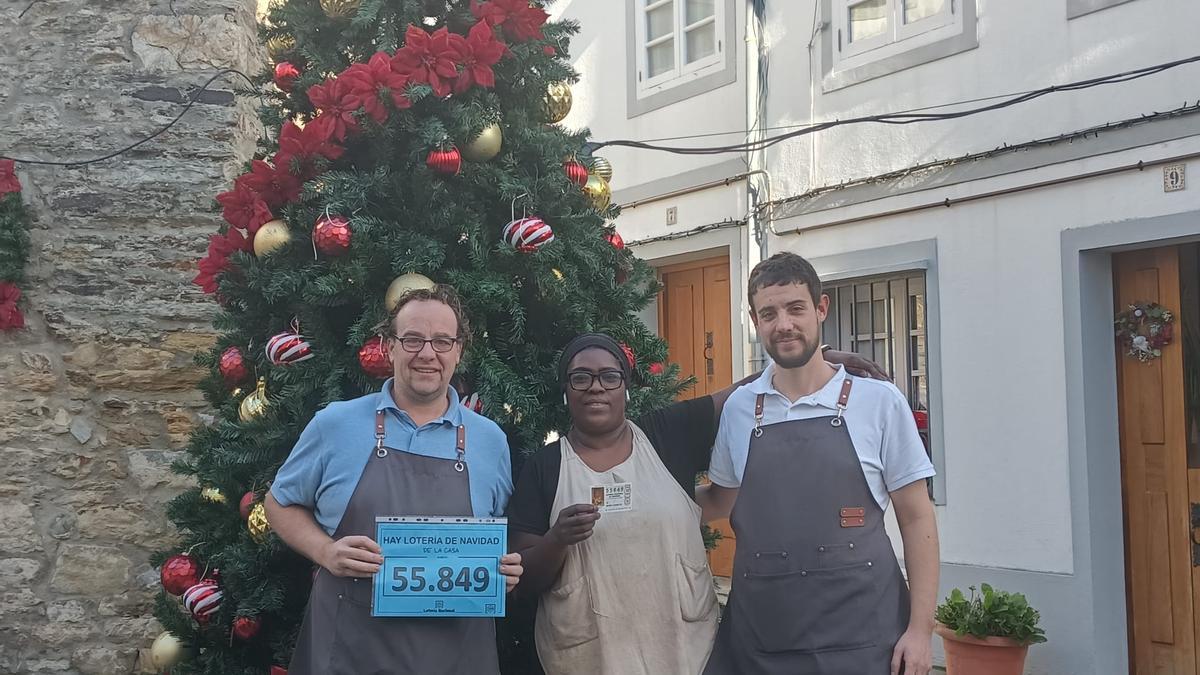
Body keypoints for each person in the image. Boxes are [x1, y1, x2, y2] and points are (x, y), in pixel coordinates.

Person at [507, 333, 885, 675]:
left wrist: (811, 363)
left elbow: (737, 394)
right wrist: (558, 539)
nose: (595, 388)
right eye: (580, 378)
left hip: (683, 650)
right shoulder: (545, 467)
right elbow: (523, 578)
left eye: (609, 376)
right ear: (566, 389)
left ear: (626, 388)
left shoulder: (666, 433)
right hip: (587, 658)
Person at [698, 252, 940, 675]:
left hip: (867, 638)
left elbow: (917, 518)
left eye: (795, 308)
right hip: (763, 641)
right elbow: (720, 500)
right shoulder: (740, 409)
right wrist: (645, 502)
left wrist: (920, 632)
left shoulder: (879, 402)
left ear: (820, 309)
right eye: (769, 313)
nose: (784, 324)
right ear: (756, 322)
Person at [264, 284, 524, 675]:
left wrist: (503, 573)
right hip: (351, 650)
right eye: (413, 339)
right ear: (389, 347)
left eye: (441, 341)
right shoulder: (336, 424)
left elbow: (496, 540)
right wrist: (324, 552)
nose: (427, 354)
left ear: (459, 351)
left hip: (458, 655)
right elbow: (278, 502)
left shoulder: (490, 441)